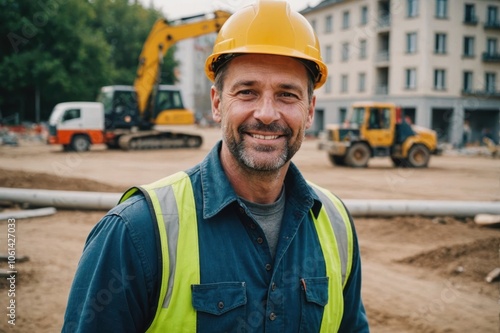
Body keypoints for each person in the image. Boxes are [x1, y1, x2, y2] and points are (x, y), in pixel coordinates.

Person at [62, 1, 369, 332]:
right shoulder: (137, 232)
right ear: (217, 102)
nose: (267, 114)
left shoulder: (336, 225)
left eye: (287, 95)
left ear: (310, 110)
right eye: (247, 91)